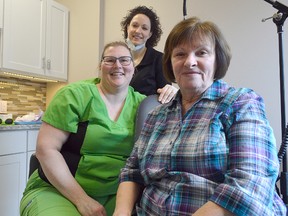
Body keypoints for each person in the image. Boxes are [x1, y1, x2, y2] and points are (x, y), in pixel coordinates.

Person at [113, 17, 287, 215]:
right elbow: (132, 172)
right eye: (180, 54)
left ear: (217, 59)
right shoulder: (156, 116)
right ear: (170, 63)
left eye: (201, 53)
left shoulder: (241, 103)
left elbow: (249, 185)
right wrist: (121, 213)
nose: (190, 62)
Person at [20, 41, 146, 216]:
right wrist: (82, 201)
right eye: (110, 60)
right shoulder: (74, 95)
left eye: (125, 60)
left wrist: (170, 92)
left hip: (116, 195)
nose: (117, 65)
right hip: (59, 190)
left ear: (133, 66)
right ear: (100, 66)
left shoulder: (144, 105)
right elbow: (45, 150)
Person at [121, 5, 177, 104]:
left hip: (145, 117)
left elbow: (165, 98)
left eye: (144, 28)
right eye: (134, 25)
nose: (138, 31)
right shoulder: (117, 57)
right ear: (127, 28)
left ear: (150, 34)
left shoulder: (159, 59)